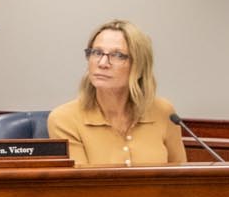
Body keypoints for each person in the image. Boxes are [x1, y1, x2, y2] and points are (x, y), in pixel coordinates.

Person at [47, 19, 185, 167]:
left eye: (118, 55)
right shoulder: (64, 119)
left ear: (139, 65)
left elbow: (183, 178)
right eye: (97, 52)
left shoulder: (164, 112)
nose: (102, 63)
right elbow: (81, 186)